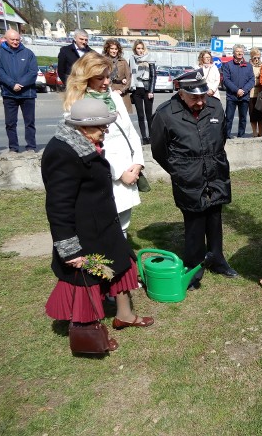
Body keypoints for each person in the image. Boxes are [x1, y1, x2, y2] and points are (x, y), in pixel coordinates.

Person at [42, 98, 154, 353]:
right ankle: (88, 336)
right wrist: (70, 250)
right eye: (102, 126)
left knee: (123, 266)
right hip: (85, 234)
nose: (106, 130)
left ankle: (124, 316)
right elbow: (58, 206)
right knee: (87, 282)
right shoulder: (62, 153)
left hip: (105, 225)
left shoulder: (88, 143)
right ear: (82, 127)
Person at [151, 70, 238, 289]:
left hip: (215, 169)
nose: (200, 101)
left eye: (203, 96)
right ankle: (194, 266)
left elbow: (221, 136)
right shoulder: (165, 114)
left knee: (215, 215)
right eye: (194, 98)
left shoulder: (215, 106)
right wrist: (180, 170)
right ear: (181, 94)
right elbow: (159, 150)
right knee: (195, 220)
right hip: (187, 174)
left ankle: (217, 259)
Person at [64, 52, 144, 237]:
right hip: (104, 175)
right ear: (85, 78)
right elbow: (85, 147)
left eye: (108, 76)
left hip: (129, 171)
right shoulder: (76, 105)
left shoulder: (114, 97)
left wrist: (138, 164)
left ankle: (122, 261)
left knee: (123, 225)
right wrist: (119, 174)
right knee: (103, 228)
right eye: (100, 78)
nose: (107, 82)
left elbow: (130, 131)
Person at [0, 29, 38, 153]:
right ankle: (13, 147)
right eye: (12, 39)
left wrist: (22, 84)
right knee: (10, 123)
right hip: (9, 93)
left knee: (29, 122)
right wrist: (12, 84)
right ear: (6, 39)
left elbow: (33, 72)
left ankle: (31, 146)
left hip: (27, 93)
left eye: (17, 39)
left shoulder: (28, 53)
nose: (15, 42)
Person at [222, 44, 254, 138]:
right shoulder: (228, 65)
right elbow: (226, 80)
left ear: (244, 53)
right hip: (232, 96)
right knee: (229, 118)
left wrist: (244, 90)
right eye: (237, 51)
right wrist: (236, 90)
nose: (240, 53)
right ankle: (226, 136)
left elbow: (252, 80)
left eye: (241, 51)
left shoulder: (248, 66)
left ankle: (241, 135)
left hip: (244, 96)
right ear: (234, 53)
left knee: (243, 118)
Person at [128, 40, 156, 144]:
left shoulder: (150, 59)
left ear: (145, 49)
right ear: (135, 49)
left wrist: (151, 90)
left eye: (142, 48)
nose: (140, 50)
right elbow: (130, 73)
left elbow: (153, 76)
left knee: (149, 115)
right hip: (136, 89)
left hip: (147, 90)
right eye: (138, 48)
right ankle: (144, 137)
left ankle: (152, 136)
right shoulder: (132, 59)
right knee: (140, 115)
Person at [102, 39, 132, 114]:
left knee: (123, 116)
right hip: (107, 91)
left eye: (116, 49)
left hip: (121, 92)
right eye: (112, 48)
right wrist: (110, 90)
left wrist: (121, 90)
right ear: (107, 49)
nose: (114, 51)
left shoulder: (123, 61)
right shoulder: (102, 61)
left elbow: (129, 78)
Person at [248, 47, 262, 137]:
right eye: (255, 57)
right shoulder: (248, 66)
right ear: (251, 57)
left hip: (261, 93)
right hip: (251, 94)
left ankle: (261, 132)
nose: (257, 59)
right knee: (253, 114)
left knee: (261, 115)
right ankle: (254, 132)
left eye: (258, 57)